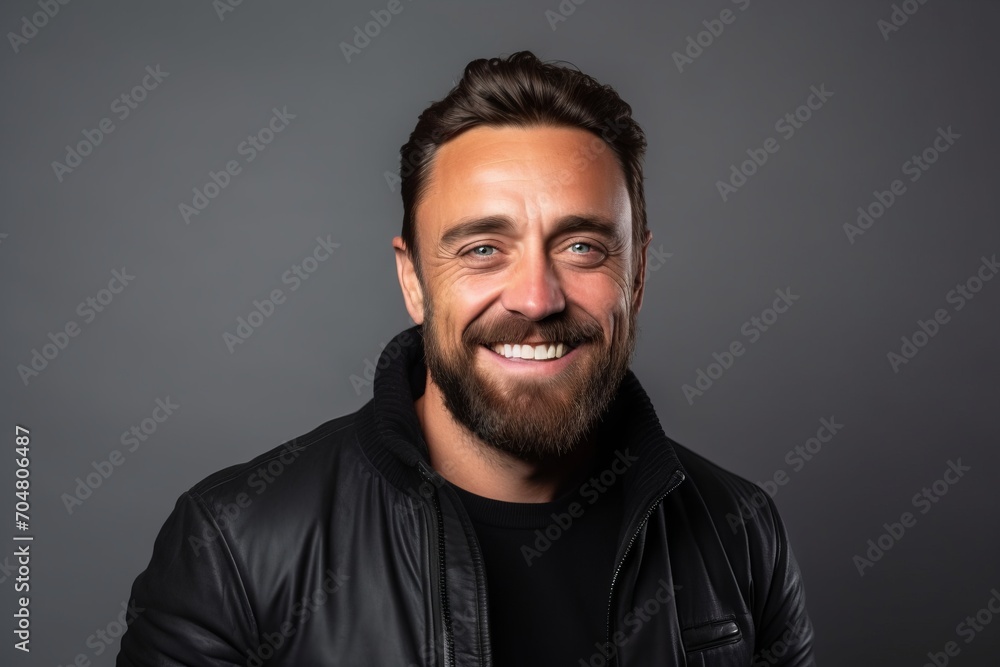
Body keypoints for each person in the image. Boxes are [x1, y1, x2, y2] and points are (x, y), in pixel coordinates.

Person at [118, 50, 815, 666]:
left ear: (636, 274)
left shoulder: (741, 532)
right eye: (483, 248)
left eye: (582, 247)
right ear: (414, 280)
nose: (537, 298)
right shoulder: (233, 548)